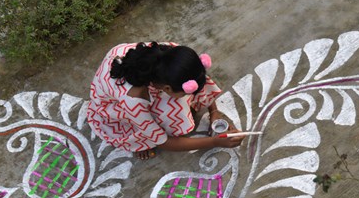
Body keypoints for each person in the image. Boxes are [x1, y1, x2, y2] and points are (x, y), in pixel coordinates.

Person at [87, 41, 244, 160]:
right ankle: (138, 140)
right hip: (113, 108)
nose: (190, 97)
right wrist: (215, 142)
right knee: (150, 133)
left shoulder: (168, 54)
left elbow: (197, 76)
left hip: (126, 75)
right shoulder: (132, 101)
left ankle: (148, 128)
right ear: (167, 89)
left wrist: (214, 111)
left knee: (177, 104)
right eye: (186, 94)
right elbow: (164, 142)